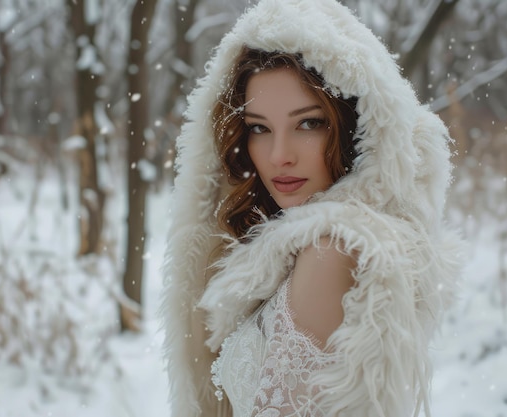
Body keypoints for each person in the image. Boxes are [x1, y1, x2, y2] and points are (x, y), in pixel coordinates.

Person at [161, 0, 463, 416]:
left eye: (309, 123)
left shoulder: (331, 252)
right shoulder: (295, 248)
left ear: (356, 124)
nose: (279, 155)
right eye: (259, 129)